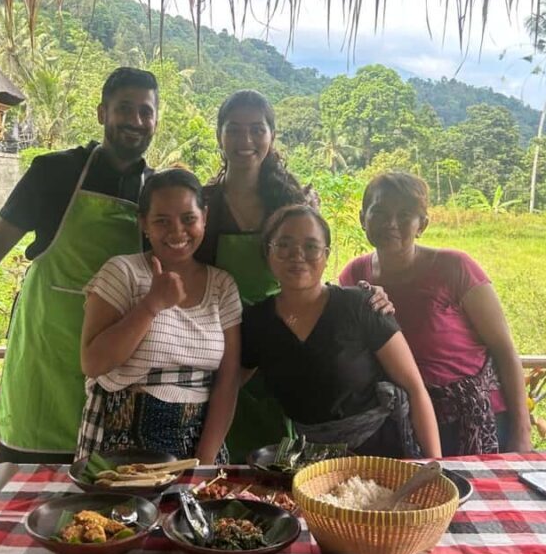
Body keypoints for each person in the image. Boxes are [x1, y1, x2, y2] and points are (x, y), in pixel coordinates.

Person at [0, 67, 159, 464]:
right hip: (47, 347)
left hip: (116, 354)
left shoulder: (156, 191)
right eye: (125, 108)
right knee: (27, 476)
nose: (136, 121)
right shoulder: (54, 172)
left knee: (104, 485)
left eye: (146, 112)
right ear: (101, 113)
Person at [196, 89, 393, 461]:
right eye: (234, 130)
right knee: (220, 446)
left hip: (280, 341)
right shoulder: (203, 204)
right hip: (216, 343)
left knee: (277, 460)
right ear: (219, 135)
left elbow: (312, 268)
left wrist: (368, 296)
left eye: (257, 129)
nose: (246, 140)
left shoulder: (290, 201)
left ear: (272, 135)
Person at [339, 171, 531, 456]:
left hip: (469, 420)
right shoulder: (355, 275)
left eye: (405, 215)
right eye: (379, 212)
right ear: (362, 218)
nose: (391, 223)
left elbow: (504, 350)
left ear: (422, 225)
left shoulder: (455, 268)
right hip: (397, 423)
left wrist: (521, 432)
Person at [240, 205, 441, 458]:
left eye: (311, 246)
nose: (297, 255)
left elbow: (415, 388)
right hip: (312, 461)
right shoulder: (257, 322)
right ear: (268, 252)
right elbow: (227, 386)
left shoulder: (361, 306)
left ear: (326, 255)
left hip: (384, 456)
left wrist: (436, 466)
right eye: (284, 245)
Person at [77, 169, 242, 463]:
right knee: (123, 511)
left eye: (188, 219)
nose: (177, 231)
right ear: (144, 224)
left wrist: (203, 464)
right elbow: (93, 363)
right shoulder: (122, 273)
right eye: (162, 221)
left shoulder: (222, 285)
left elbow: (227, 382)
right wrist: (151, 304)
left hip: (198, 444)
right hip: (120, 445)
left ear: (204, 216)